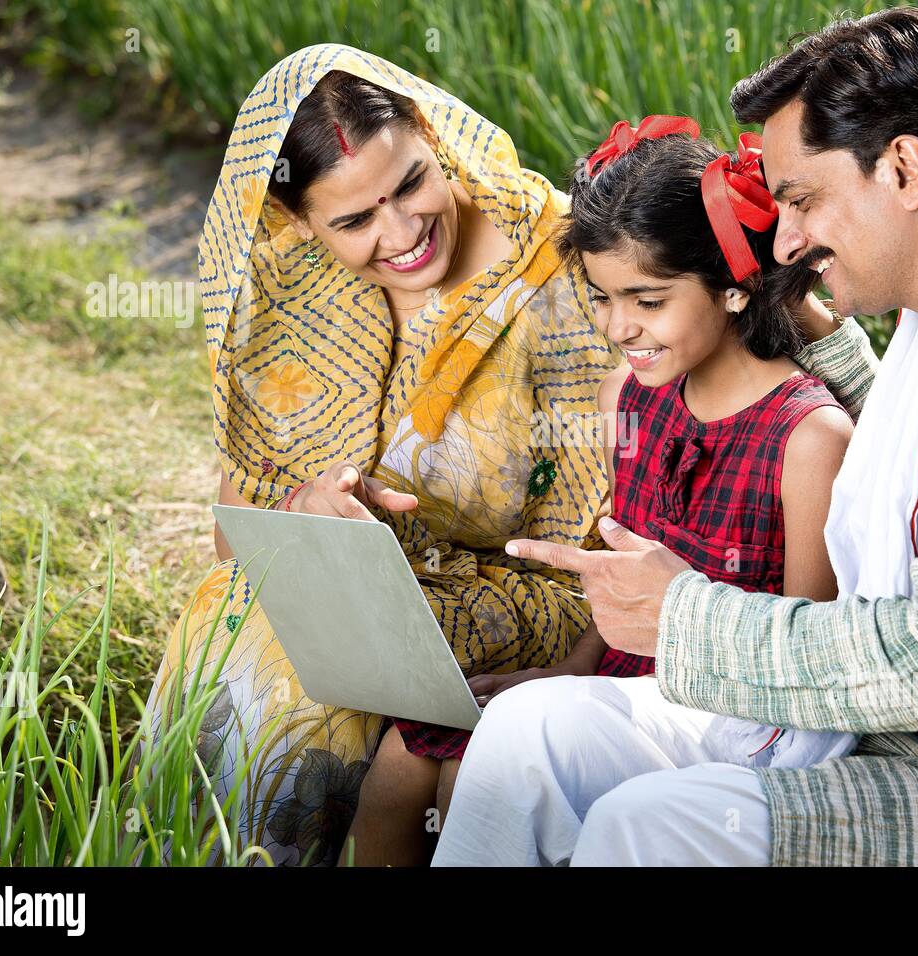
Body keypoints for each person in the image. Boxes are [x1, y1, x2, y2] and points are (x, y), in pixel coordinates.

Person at [433, 7, 918, 867]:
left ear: (903, 168)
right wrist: (806, 327)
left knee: (651, 825)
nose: (785, 236)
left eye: (803, 200)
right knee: (530, 737)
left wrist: (687, 618)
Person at [146, 44, 617, 867]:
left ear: (436, 136)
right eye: (355, 221)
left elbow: (612, 524)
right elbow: (234, 538)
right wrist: (301, 516)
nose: (403, 233)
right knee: (231, 617)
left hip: (546, 595)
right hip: (366, 593)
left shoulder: (566, 263)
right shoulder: (294, 296)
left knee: (303, 696)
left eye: (412, 184)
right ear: (299, 222)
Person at [463, 118, 857, 779]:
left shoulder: (810, 440)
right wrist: (568, 674)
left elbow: (800, 663)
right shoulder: (629, 394)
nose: (620, 326)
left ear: (735, 286)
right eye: (603, 299)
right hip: (618, 684)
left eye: (647, 300)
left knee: (516, 755)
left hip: (734, 722)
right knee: (442, 755)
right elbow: (630, 581)